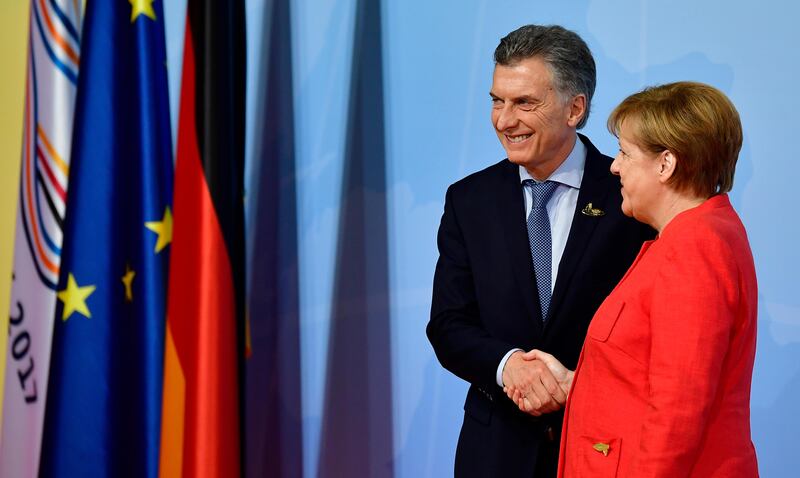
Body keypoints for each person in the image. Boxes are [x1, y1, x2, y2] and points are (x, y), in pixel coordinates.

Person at [426, 24, 653, 476]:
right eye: (497, 100)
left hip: (602, 448)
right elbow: (449, 325)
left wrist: (580, 386)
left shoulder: (630, 197)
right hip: (495, 452)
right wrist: (507, 365)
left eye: (524, 103)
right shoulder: (469, 200)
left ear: (575, 108)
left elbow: (652, 337)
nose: (504, 120)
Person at [509, 81, 759, 477]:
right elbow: (652, 380)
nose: (614, 165)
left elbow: (678, 413)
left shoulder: (694, 249)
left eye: (626, 153)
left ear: (666, 164)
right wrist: (581, 383)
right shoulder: (689, 238)